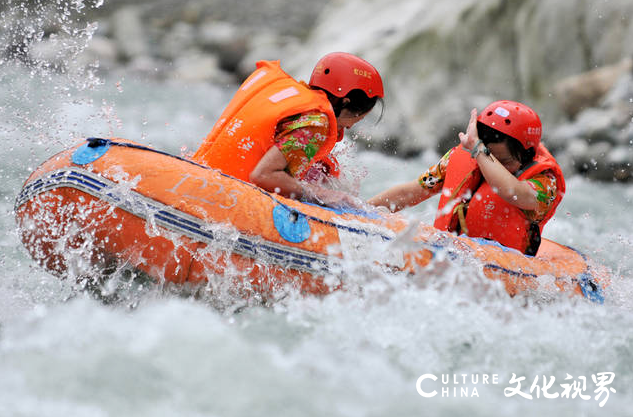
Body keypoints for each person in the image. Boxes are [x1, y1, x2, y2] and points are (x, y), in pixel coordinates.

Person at [368, 101, 565, 255]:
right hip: (454, 254)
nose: (488, 165)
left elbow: (513, 192)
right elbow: (412, 192)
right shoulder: (464, 155)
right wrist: (363, 210)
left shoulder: (546, 181)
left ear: (527, 155)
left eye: (501, 161)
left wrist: (480, 152)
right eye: (487, 156)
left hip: (504, 266)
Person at [192, 52, 384, 207]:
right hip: (221, 201)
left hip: (201, 182)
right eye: (358, 119)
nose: (350, 127)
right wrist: (321, 195)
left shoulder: (292, 98)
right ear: (345, 102)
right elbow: (264, 175)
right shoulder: (316, 124)